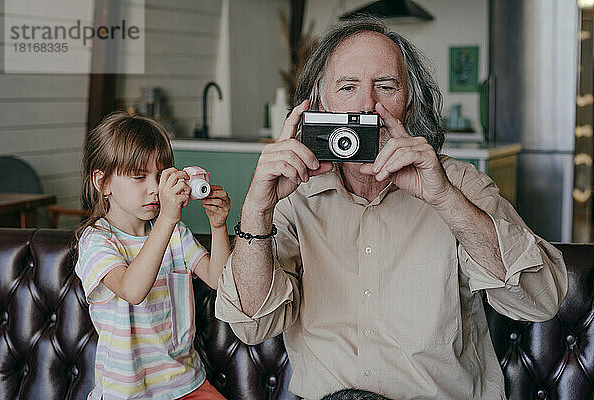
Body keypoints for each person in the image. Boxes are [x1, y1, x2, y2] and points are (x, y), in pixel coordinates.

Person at [215, 17, 568, 400]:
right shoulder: (294, 196)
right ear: (321, 105)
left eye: (385, 86)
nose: (368, 104)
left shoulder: (458, 184)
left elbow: (542, 299)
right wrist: (256, 208)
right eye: (348, 87)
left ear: (409, 103)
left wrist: (444, 199)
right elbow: (251, 324)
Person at [75, 112, 230, 400]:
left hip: (186, 384)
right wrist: (166, 220)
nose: (153, 189)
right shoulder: (97, 241)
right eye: (138, 177)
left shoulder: (176, 234)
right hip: (126, 393)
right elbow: (132, 290)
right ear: (103, 182)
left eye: (159, 176)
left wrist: (218, 226)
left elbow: (219, 280)